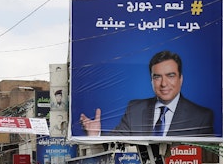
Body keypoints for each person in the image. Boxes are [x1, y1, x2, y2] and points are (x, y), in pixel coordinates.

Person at [79, 50, 214, 137]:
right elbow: (115, 143)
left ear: (181, 79)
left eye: (170, 75)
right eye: (157, 77)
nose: (163, 83)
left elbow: (206, 158)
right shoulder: (135, 109)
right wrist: (95, 134)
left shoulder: (201, 116)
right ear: (151, 80)